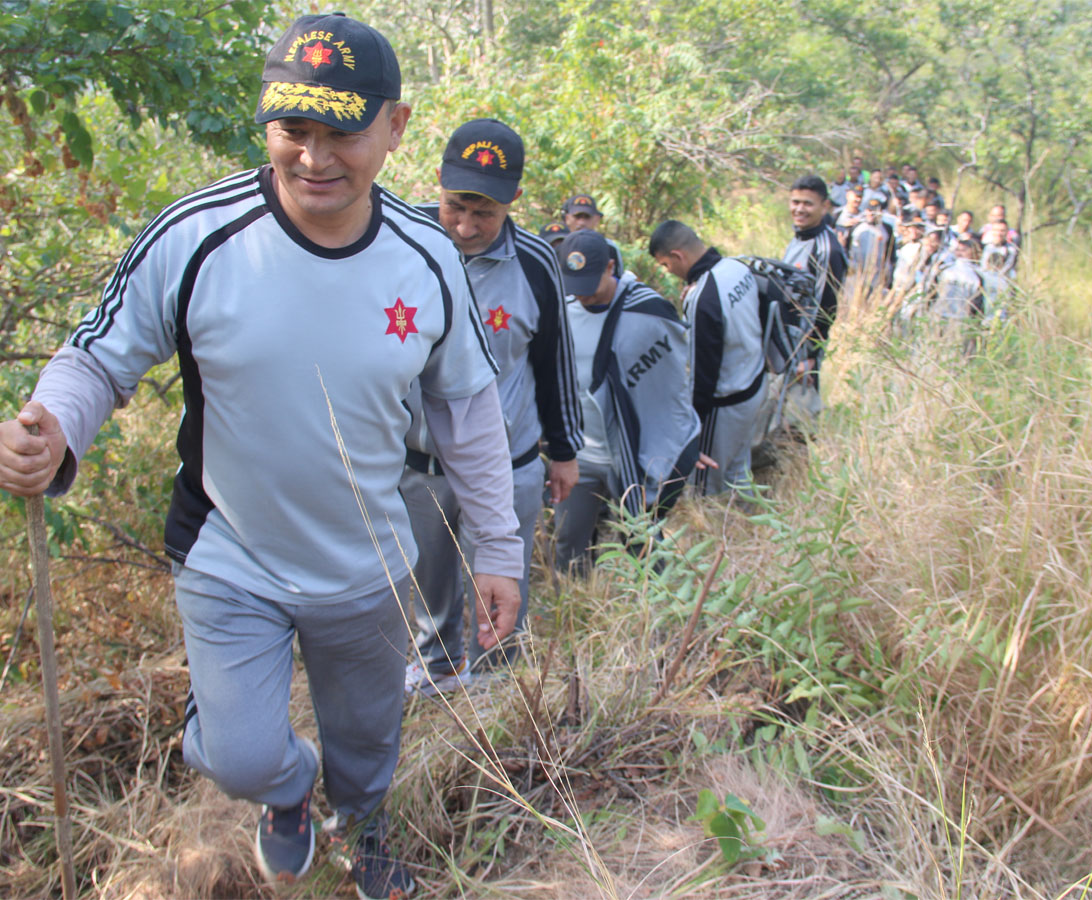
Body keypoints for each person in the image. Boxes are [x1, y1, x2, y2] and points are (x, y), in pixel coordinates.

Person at [0, 15, 523, 898]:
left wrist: (500, 549)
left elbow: (467, 412)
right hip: (228, 551)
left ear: (395, 128)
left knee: (367, 747)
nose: (315, 158)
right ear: (265, 122)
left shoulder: (429, 258)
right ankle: (285, 791)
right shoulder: (200, 237)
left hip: (368, 562)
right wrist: (51, 428)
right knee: (239, 754)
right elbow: (98, 356)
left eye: (342, 132)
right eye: (293, 129)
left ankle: (365, 835)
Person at [402, 119, 583, 696]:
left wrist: (564, 450)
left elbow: (554, 359)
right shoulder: (399, 243)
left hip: (509, 464)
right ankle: (435, 676)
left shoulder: (534, 261)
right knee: (429, 589)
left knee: (498, 591)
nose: (466, 225)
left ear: (514, 201)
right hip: (419, 464)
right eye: (456, 206)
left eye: (486, 214)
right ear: (438, 182)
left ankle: (500, 694)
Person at [552, 229, 702, 571]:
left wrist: (677, 442)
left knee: (643, 542)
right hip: (579, 453)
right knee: (569, 540)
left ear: (609, 267)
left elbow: (670, 390)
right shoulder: (561, 312)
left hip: (633, 456)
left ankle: (654, 613)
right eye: (575, 286)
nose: (584, 296)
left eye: (591, 283)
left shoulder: (649, 312)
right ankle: (576, 608)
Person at [649, 220, 765, 496]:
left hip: (726, 403)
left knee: (704, 488)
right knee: (738, 467)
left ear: (678, 256)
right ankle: (752, 523)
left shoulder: (703, 296)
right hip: (755, 384)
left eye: (666, 265)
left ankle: (716, 532)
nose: (669, 272)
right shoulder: (736, 267)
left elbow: (704, 371)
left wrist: (694, 430)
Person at [777, 174, 847, 432]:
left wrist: (809, 356)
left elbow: (827, 307)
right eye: (795, 202)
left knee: (801, 417)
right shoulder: (799, 237)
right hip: (786, 342)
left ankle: (800, 464)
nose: (799, 209)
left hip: (804, 348)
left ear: (824, 206)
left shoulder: (826, 250)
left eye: (807, 203)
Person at [561, 193, 624, 276]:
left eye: (587, 217)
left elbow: (617, 281)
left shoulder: (609, 248)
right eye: (577, 217)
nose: (582, 223)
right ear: (567, 218)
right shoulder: (559, 247)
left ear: (597, 219)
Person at [848, 198, 895, 296]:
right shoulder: (856, 228)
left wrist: (888, 276)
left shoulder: (887, 229)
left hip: (877, 275)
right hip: (857, 274)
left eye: (875, 211)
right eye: (869, 211)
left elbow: (890, 254)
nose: (872, 214)